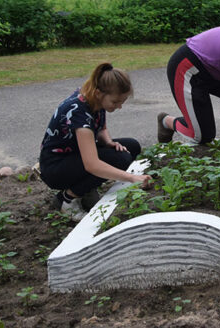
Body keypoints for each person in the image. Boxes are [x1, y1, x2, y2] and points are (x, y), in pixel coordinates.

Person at [39, 63, 151, 221]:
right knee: (121, 159)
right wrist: (131, 178)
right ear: (99, 93)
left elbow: (100, 127)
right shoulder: (79, 113)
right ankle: (68, 199)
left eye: (122, 102)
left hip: (72, 154)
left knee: (131, 146)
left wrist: (109, 142)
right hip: (55, 168)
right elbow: (92, 164)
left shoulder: (91, 97)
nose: (119, 107)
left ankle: (85, 189)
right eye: (115, 102)